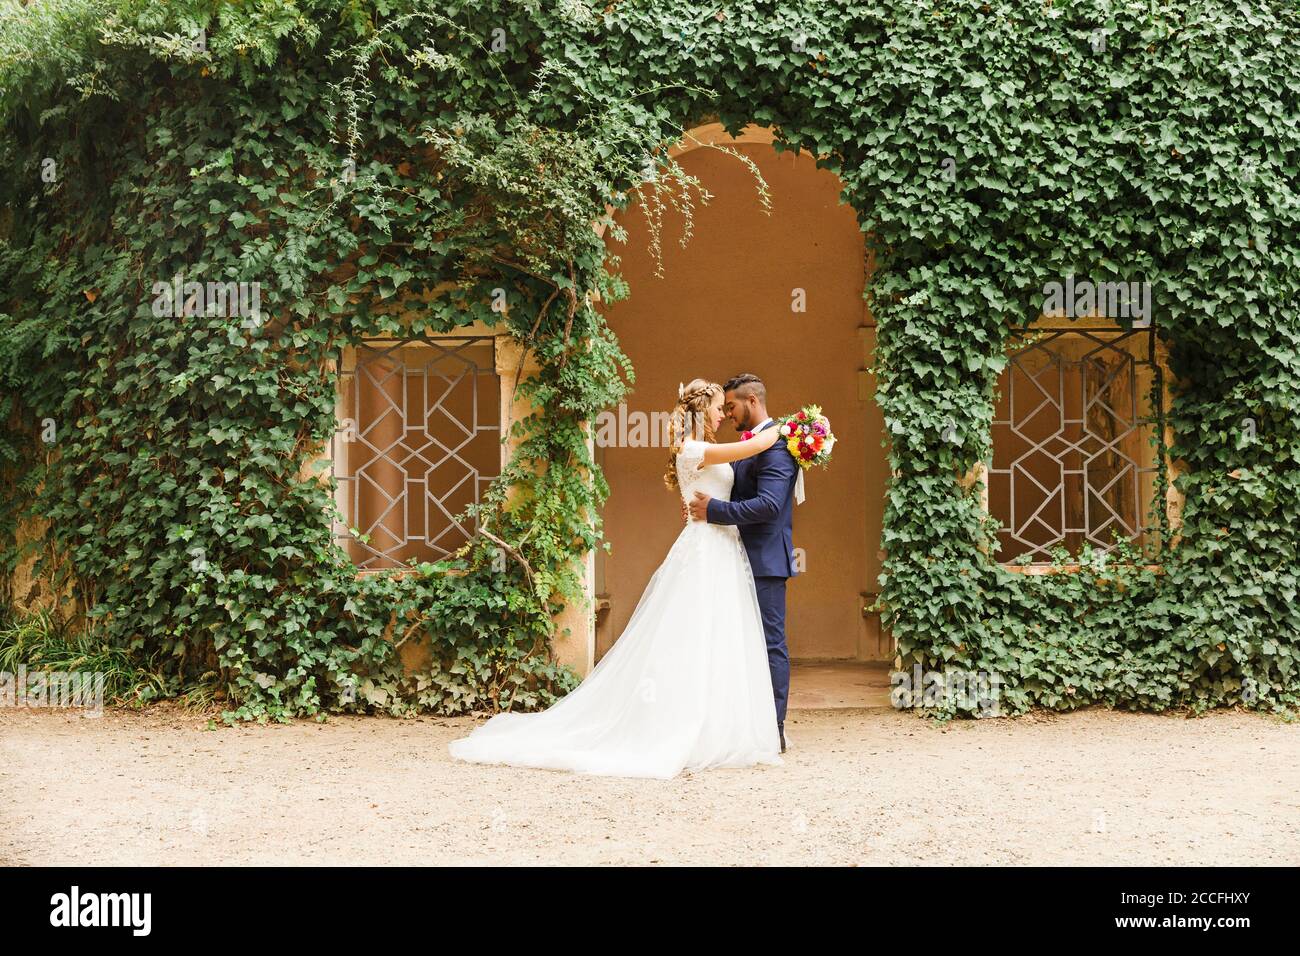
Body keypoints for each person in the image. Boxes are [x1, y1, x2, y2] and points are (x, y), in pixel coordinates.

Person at [447, 378, 784, 779]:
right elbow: (754, 446)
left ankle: (722, 724)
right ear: (700, 411)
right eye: (716, 407)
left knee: (721, 635)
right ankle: (684, 726)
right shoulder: (695, 448)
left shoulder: (705, 449)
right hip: (706, 548)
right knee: (693, 635)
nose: (721, 414)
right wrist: (798, 429)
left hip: (723, 548)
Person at [685, 373, 799, 753]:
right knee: (730, 644)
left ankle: (774, 729)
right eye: (722, 408)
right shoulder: (746, 444)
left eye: (731, 406)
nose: (728, 414)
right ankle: (735, 727)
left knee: (769, 645)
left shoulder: (778, 446)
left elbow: (769, 506)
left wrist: (714, 509)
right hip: (729, 558)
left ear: (752, 400)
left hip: (764, 560)